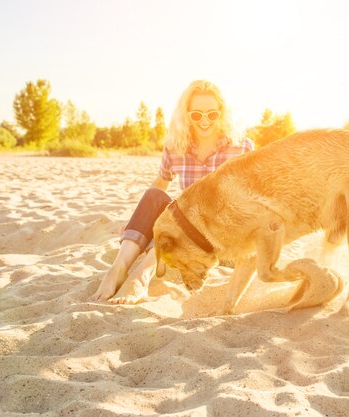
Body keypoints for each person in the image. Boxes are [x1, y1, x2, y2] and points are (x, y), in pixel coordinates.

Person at [91, 80, 255, 303]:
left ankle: (141, 277)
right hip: (187, 227)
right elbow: (161, 183)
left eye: (212, 114)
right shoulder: (175, 146)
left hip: (225, 235)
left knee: (188, 210)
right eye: (197, 115)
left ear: (222, 114)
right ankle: (118, 268)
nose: (205, 121)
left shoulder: (242, 147)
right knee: (155, 197)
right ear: (187, 114)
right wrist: (137, 220)